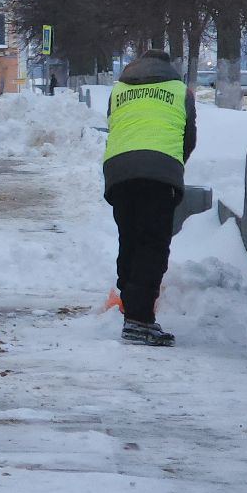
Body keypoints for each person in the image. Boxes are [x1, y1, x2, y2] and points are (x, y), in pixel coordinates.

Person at [103, 48, 196, 346]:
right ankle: (139, 320)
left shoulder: (118, 91)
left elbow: (114, 127)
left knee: (128, 239)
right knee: (152, 245)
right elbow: (188, 138)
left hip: (119, 171)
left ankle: (131, 308)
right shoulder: (180, 90)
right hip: (159, 173)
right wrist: (172, 167)